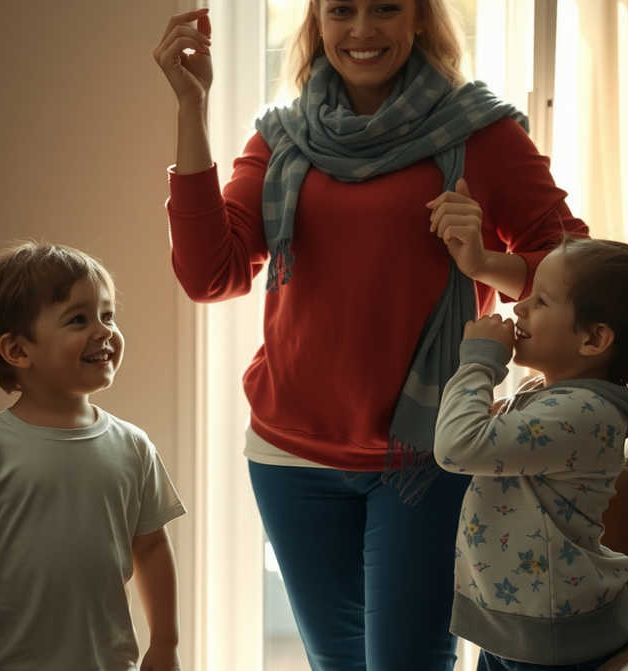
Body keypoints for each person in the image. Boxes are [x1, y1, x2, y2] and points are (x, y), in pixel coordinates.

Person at [154, 1, 587, 668]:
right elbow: (210, 273)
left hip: (429, 453)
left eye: (385, 8)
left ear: (419, 19)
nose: (362, 30)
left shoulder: (481, 133)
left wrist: (484, 263)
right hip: (291, 456)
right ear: (318, 22)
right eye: (342, 10)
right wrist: (192, 107)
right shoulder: (282, 137)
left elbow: (574, 269)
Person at [434, 238, 628, 670]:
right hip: (518, 622)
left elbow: (457, 446)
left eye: (541, 301)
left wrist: (479, 362)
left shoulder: (582, 413)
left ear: (593, 338)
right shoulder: (551, 398)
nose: (518, 307)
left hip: (551, 635)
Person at [0, 242, 185, 671]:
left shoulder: (134, 446)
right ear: (18, 351)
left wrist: (165, 643)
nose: (104, 331)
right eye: (79, 319)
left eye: (107, 315)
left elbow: (153, 548)